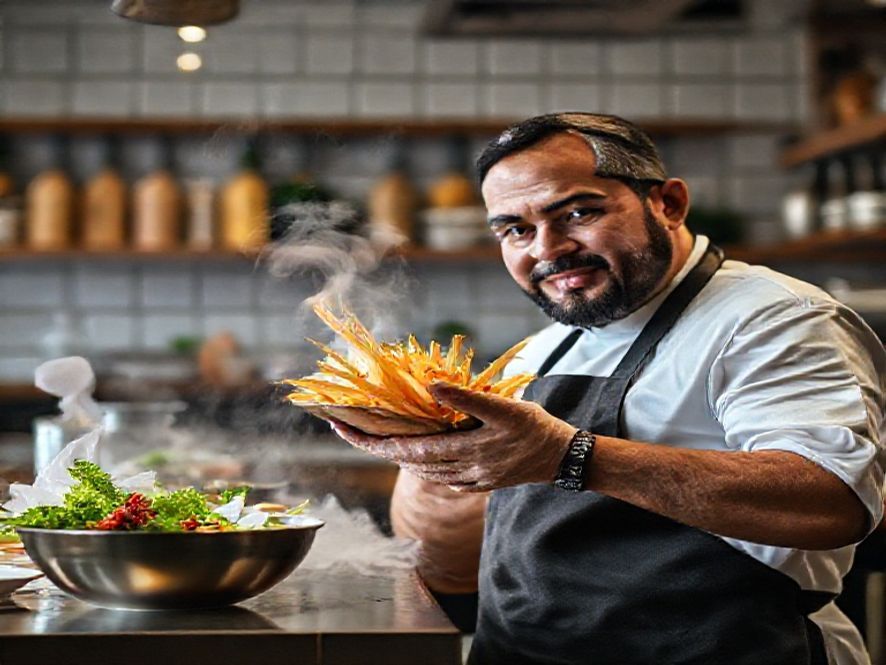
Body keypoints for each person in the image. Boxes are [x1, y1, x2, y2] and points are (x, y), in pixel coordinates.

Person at [331, 113, 886, 665]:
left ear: (667, 204)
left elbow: (833, 500)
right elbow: (449, 567)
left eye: (577, 212)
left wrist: (569, 456)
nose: (548, 248)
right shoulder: (539, 351)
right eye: (515, 230)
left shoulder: (773, 319)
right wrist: (433, 466)